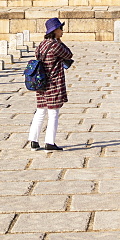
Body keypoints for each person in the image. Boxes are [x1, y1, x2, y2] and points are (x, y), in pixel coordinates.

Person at [28, 17, 73, 151]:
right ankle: (49, 142)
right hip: (53, 83)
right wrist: (59, 41)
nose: (62, 31)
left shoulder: (41, 44)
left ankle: (33, 140)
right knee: (53, 113)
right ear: (55, 31)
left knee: (40, 111)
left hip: (41, 82)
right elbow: (69, 54)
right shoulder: (55, 45)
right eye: (60, 29)